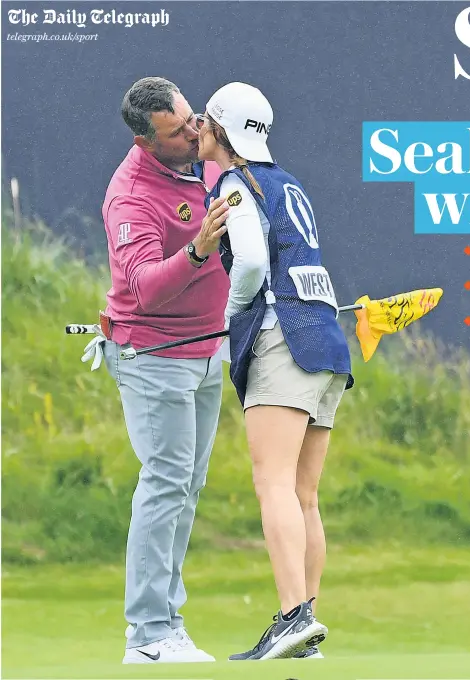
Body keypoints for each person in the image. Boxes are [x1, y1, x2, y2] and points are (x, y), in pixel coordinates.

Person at [197, 82, 354, 661]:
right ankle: (305, 629)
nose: (198, 132)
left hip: (280, 341)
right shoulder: (288, 184)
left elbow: (255, 264)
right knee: (304, 494)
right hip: (326, 346)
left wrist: (230, 312)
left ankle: (293, 616)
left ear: (221, 132)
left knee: (273, 484)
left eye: (205, 123)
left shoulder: (237, 185)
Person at [99, 76, 231, 664]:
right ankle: (148, 635)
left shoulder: (204, 159)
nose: (194, 132)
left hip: (209, 349)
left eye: (192, 117)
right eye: (178, 131)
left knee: (188, 486)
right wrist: (199, 248)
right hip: (153, 357)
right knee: (166, 482)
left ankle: (166, 621)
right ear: (146, 140)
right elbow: (144, 287)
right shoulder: (130, 195)